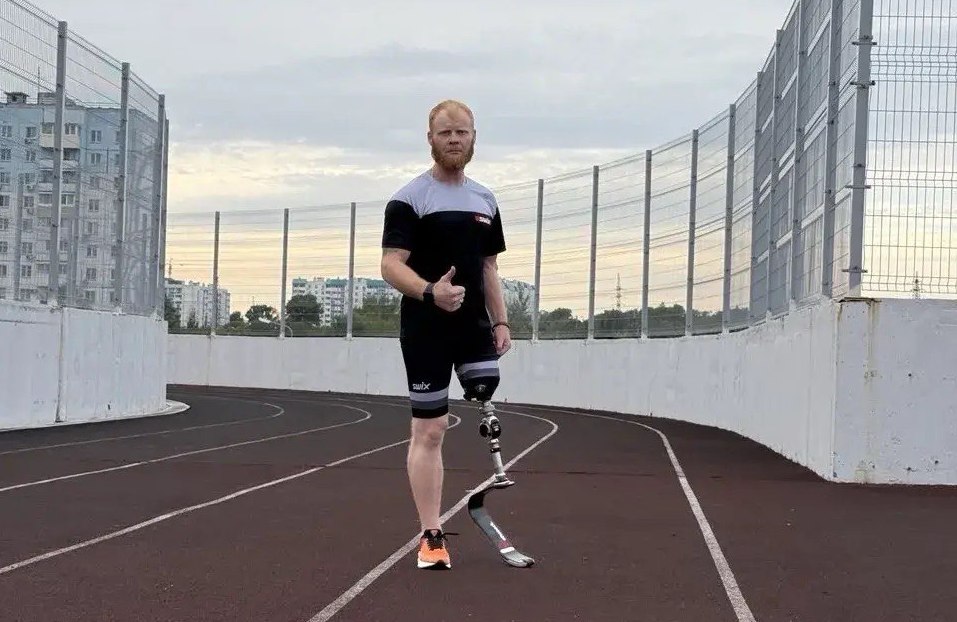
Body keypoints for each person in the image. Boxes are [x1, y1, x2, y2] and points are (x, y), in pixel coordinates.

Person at [380, 99, 512, 570]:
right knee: (431, 428)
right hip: (426, 328)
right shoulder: (410, 199)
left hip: (474, 326)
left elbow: (489, 267)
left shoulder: (485, 200)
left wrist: (501, 321)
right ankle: (431, 534)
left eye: (462, 132)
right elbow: (390, 264)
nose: (454, 140)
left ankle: (490, 478)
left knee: (485, 391)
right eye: (445, 133)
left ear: (474, 137)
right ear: (430, 139)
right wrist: (429, 292)